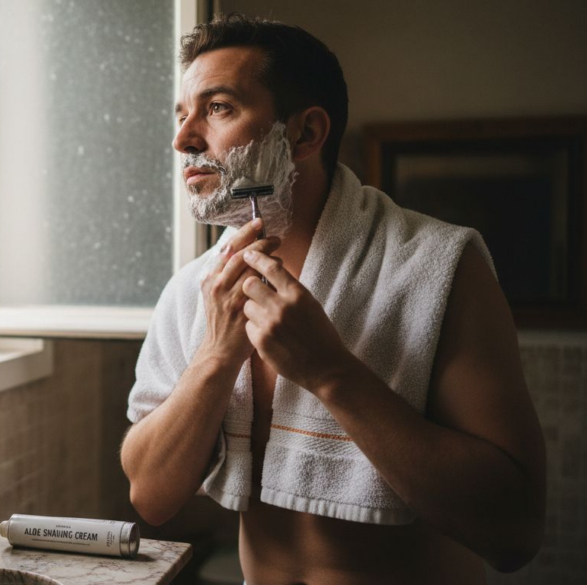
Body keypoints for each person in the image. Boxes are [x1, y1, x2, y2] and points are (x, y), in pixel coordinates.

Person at [120, 15, 545, 584]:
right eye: (181, 114)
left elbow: (514, 531)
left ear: (306, 133)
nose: (184, 139)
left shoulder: (439, 267)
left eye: (217, 108)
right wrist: (217, 356)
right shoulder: (197, 291)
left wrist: (330, 372)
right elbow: (150, 497)